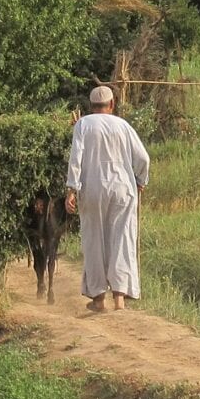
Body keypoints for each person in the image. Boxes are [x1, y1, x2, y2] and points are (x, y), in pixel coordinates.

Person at [65, 85, 151, 312]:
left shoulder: (83, 125)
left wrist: (71, 189)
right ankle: (120, 299)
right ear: (112, 105)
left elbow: (76, 159)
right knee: (122, 239)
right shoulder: (123, 125)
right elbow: (143, 158)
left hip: (92, 188)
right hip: (123, 188)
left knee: (94, 240)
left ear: (90, 106)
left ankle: (99, 299)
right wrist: (141, 180)